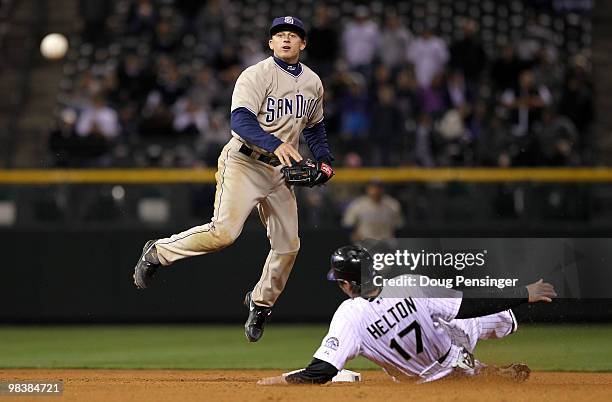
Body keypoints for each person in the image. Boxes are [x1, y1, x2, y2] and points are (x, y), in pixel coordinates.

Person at [133, 16, 334, 342]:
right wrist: (276, 143)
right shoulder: (256, 75)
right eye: (279, 35)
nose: (285, 39)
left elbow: (314, 127)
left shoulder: (313, 82)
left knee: (289, 246)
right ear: (270, 43)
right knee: (223, 233)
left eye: (292, 35)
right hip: (244, 162)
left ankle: (260, 303)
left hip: (280, 172)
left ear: (303, 44)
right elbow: (240, 121)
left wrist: (325, 161)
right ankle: (158, 251)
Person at [258, 245, 557, 385]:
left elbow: (320, 372)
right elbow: (469, 304)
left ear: (348, 284)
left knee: (346, 377)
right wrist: (523, 294)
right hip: (456, 351)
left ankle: (478, 371)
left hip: (422, 382)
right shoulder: (408, 283)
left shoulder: (349, 315)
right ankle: (482, 364)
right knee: (469, 316)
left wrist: (275, 381)